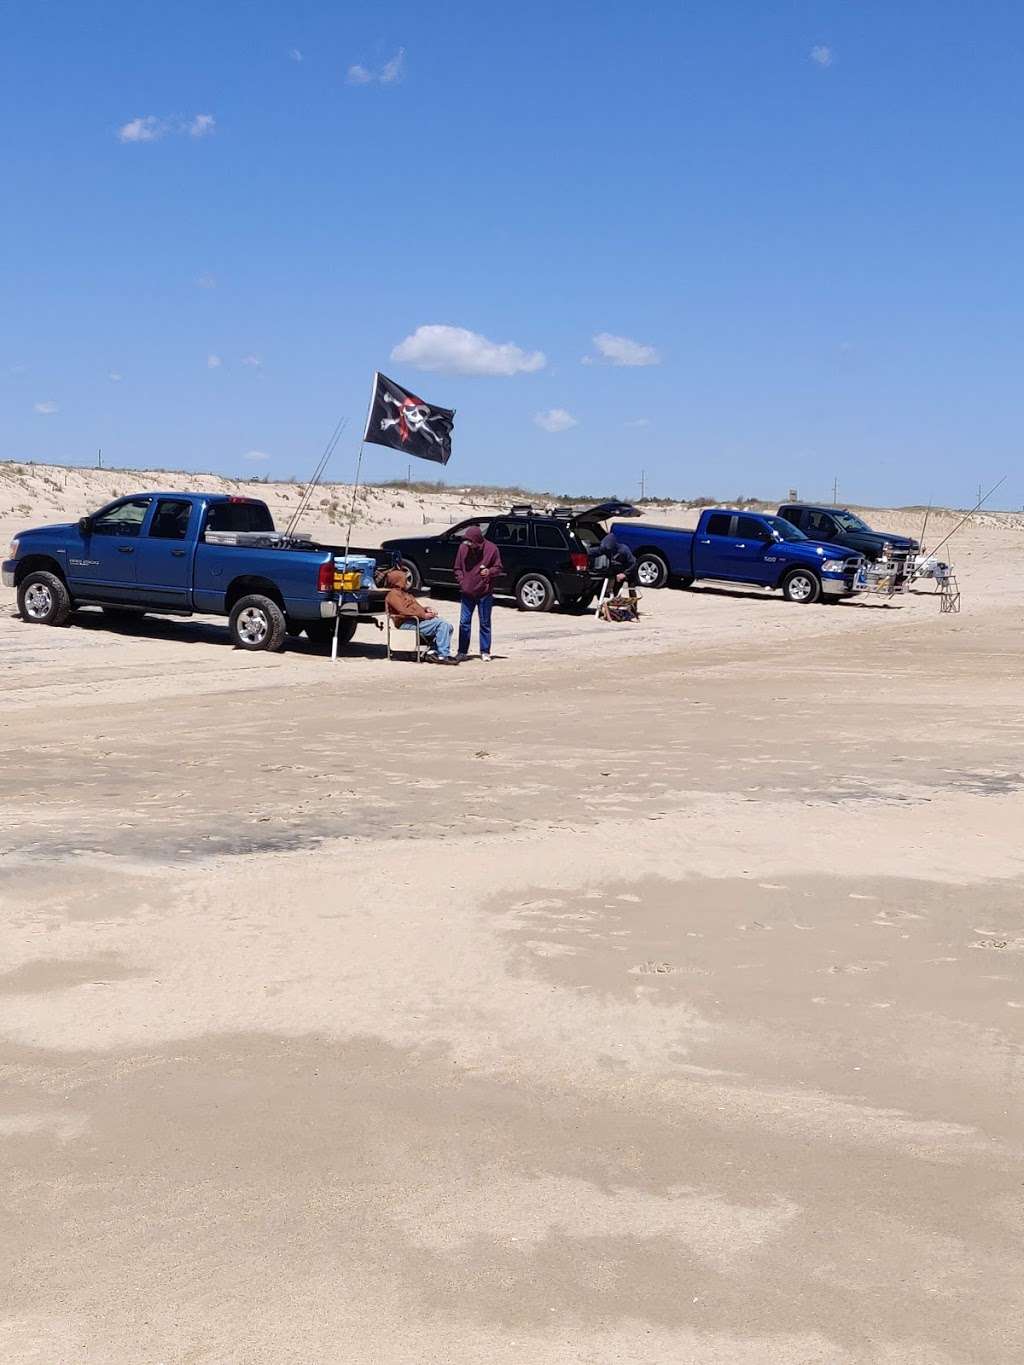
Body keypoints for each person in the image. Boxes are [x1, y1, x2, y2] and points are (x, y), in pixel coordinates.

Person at [384, 568, 458, 664]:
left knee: (449, 627)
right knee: (442, 625)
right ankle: (443, 655)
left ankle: (432, 651)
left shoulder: (406, 594)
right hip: (407, 623)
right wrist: (424, 615)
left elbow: (417, 607)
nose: (406, 582)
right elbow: (403, 611)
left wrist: (427, 609)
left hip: (417, 620)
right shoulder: (393, 595)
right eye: (404, 579)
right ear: (398, 580)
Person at [454, 525, 503, 662]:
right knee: (464, 623)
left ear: (477, 541)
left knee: (485, 622)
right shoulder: (463, 548)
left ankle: (485, 651)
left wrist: (489, 572)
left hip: (485, 593)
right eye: (466, 541)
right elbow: (457, 568)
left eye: (470, 542)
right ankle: (462, 651)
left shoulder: (492, 549)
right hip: (467, 592)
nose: (468, 544)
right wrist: (462, 582)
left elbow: (498, 567)